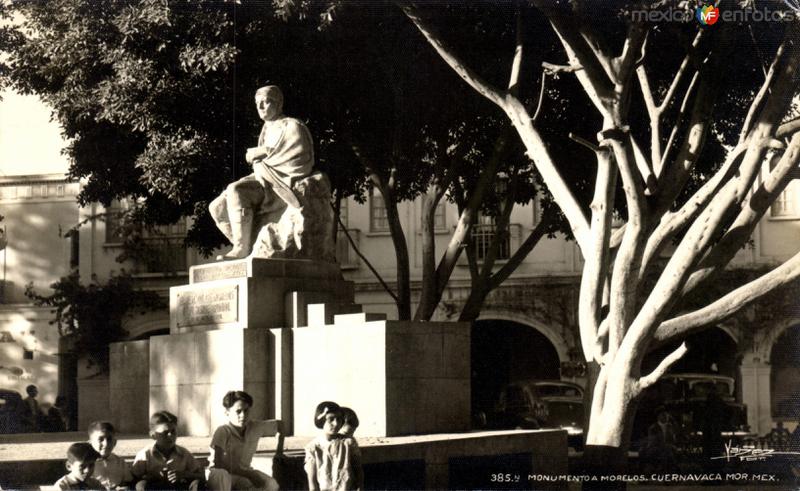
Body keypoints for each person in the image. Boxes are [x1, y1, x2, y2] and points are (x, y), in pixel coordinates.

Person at [209, 85, 315, 260]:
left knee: (235, 189)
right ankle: (250, 245)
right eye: (258, 103)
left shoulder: (292, 125)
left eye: (266, 102)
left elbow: (300, 154)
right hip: (263, 178)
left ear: (279, 104)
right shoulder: (266, 129)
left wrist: (262, 151)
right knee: (217, 207)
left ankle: (241, 248)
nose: (260, 107)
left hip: (280, 181)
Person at [208, 390, 283, 491]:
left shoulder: (256, 427)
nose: (243, 415)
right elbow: (218, 464)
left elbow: (281, 425)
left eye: (246, 410)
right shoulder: (222, 431)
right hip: (221, 474)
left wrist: (279, 452)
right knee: (221, 475)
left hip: (244, 473)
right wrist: (249, 475)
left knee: (271, 484)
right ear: (227, 412)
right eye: (238, 411)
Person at [131, 411, 205, 490]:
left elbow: (201, 475)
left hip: (178, 487)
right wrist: (150, 476)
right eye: (165, 433)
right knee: (141, 485)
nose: (170, 436)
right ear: (153, 435)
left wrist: (184, 474)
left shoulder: (184, 453)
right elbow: (132, 478)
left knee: (198, 484)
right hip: (155, 487)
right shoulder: (145, 455)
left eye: (173, 431)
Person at [304, 401, 363, 491]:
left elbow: (358, 471)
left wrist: (360, 488)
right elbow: (312, 483)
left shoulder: (348, 443)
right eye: (331, 419)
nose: (336, 423)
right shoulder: (313, 448)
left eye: (339, 419)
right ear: (321, 420)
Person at [88, 420, 133, 490]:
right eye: (100, 439)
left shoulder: (120, 462)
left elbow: (127, 482)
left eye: (109, 439)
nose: (106, 443)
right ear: (90, 443)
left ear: (114, 442)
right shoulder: (86, 463)